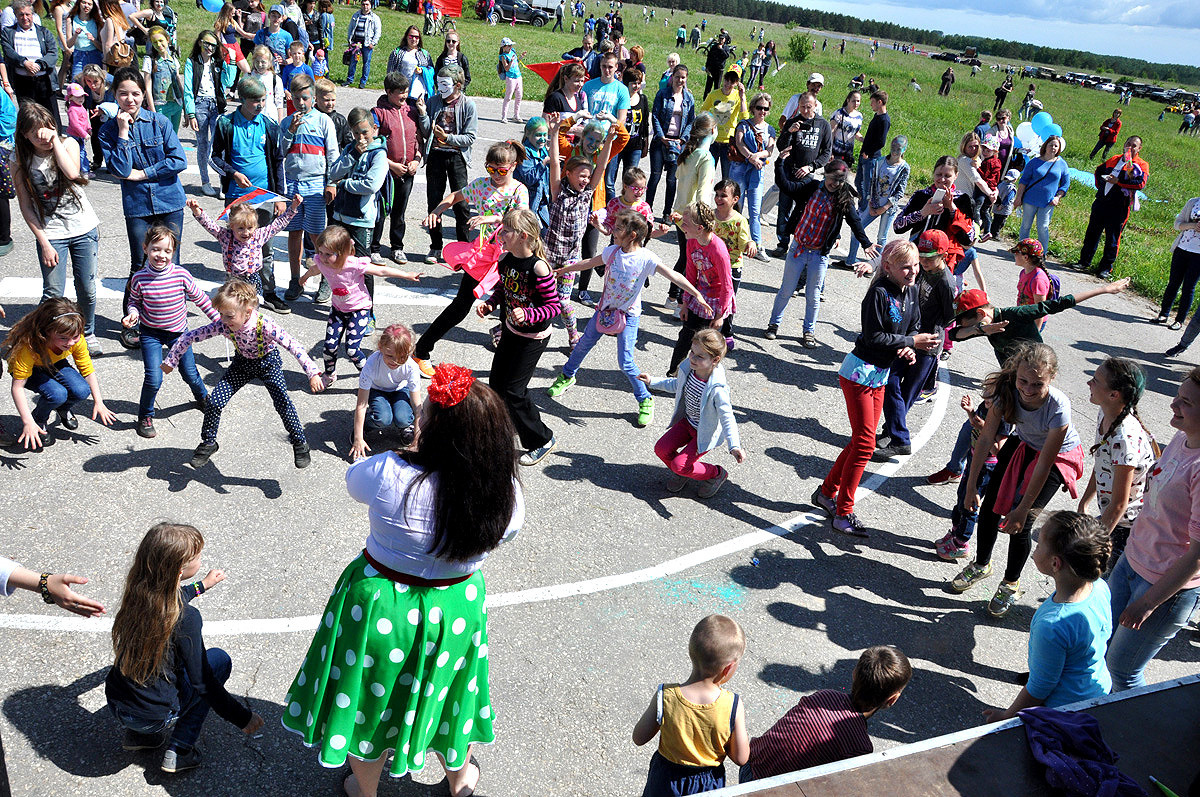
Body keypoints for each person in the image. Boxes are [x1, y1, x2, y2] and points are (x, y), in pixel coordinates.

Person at [282, 364, 522, 797]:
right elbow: (507, 531)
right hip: (454, 606)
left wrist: (411, 450)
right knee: (450, 693)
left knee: (366, 706)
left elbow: (353, 483)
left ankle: (366, 789)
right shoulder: (503, 491)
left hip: (379, 603)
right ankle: (460, 780)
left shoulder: (387, 471)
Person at [105, 523, 264, 774]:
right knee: (218, 661)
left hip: (118, 705)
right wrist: (241, 717)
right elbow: (204, 684)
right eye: (197, 556)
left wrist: (202, 585)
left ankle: (140, 738)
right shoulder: (186, 618)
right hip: (153, 717)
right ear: (180, 570)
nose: (201, 559)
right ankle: (180, 749)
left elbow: (174, 596)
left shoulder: (137, 591)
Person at [951, 343, 1086, 619]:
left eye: (1037, 384)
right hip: (1025, 444)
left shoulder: (1058, 405)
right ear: (1015, 376)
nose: (1028, 389)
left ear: (1052, 378)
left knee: (1020, 523)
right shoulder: (1007, 393)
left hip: (1056, 456)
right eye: (1023, 381)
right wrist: (972, 485)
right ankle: (981, 564)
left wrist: (1023, 508)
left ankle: (1010, 584)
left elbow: (1045, 462)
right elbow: (986, 438)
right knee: (989, 510)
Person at [812, 240, 937, 537]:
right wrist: (909, 344)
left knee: (861, 441)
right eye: (905, 266)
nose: (912, 271)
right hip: (858, 373)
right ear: (889, 267)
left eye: (915, 265)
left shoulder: (912, 291)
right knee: (866, 443)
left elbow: (912, 328)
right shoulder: (878, 294)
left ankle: (826, 492)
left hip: (880, 374)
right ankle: (843, 512)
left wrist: (908, 348)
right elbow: (873, 338)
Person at [550, 208, 705, 424]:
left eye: (620, 227)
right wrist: (565, 270)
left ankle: (645, 399)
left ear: (632, 234)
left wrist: (696, 293)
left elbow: (674, 275)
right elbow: (588, 262)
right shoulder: (612, 251)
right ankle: (567, 376)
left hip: (628, 316)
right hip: (604, 312)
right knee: (582, 345)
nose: (614, 230)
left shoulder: (646, 258)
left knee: (626, 362)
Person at [1104, 367, 1200, 691]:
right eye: (1178, 396)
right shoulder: (1182, 437)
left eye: (1185, 402)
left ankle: (1128, 736)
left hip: (1162, 589)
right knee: (1102, 644)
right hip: (1130, 562)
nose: (1173, 405)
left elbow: (1198, 557)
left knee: (1123, 670)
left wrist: (1148, 604)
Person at [163, 279, 325, 469]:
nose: (223, 320)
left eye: (229, 316)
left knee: (282, 402)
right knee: (214, 402)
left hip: (268, 364)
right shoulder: (224, 325)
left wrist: (312, 372)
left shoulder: (264, 324)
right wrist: (171, 361)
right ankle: (208, 442)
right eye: (221, 315)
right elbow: (188, 336)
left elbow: (292, 345)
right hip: (241, 364)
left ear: (247, 312)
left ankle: (299, 442)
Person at [983, 512, 1113, 721]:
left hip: (1062, 710)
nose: (1035, 547)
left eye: (1039, 544)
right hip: (1097, 688)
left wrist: (1006, 716)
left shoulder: (1052, 624)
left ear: (1055, 564)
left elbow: (1040, 686)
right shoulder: (1099, 587)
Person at [416, 140, 527, 375]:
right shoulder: (482, 186)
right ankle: (421, 351)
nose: (496, 175)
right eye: (491, 169)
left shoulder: (519, 190)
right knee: (460, 307)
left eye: (501, 170)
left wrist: (495, 219)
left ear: (513, 166)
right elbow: (456, 196)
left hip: (510, 257)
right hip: (483, 256)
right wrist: (437, 211)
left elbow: (521, 220)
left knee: (510, 309)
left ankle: (505, 372)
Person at [98, 66, 187, 350]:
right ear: (115, 95)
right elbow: (120, 169)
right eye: (123, 94)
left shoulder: (159, 122)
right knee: (140, 263)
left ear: (142, 94)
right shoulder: (107, 131)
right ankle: (132, 322)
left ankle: (173, 322)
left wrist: (144, 173)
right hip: (137, 206)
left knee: (171, 262)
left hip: (169, 201)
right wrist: (123, 133)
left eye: (135, 93)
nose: (130, 99)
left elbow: (179, 160)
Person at [742, 646, 911, 781]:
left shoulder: (825, 696)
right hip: (772, 790)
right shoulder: (859, 746)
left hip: (750, 764)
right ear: (892, 699)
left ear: (854, 674)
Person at [13, 101, 100, 354]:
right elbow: (25, 205)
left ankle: (87, 331)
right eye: (35, 132)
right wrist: (44, 242)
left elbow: (72, 173)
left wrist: (56, 141)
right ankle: (43, 337)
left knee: (87, 289)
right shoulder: (18, 158)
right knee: (52, 293)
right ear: (24, 135)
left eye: (47, 127)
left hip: (84, 227)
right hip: (51, 233)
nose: (42, 135)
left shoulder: (69, 143)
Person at [476, 207, 560, 465]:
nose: (501, 234)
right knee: (497, 383)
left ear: (523, 235)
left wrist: (530, 314)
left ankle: (542, 439)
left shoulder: (539, 268)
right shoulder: (506, 260)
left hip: (533, 337)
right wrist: (491, 303)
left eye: (507, 230)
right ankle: (507, 426)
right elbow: (503, 288)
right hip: (511, 330)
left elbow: (553, 307)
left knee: (514, 390)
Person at [632, 614, 749, 796]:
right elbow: (741, 758)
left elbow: (639, 737)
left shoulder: (665, 695)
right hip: (707, 783)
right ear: (728, 668)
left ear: (691, 651)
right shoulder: (732, 704)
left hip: (665, 779)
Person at [122, 225, 220, 438]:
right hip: (151, 334)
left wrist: (218, 320)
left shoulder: (181, 275)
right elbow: (134, 302)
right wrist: (132, 313)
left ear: (173, 252)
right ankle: (145, 415)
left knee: (191, 373)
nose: (161, 255)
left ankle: (202, 397)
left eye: (167, 251)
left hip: (179, 334)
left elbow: (201, 300)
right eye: (156, 249)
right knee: (154, 378)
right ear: (145, 248)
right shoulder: (139, 278)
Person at [766, 160, 876, 348]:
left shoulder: (843, 198)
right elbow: (787, 186)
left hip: (819, 254)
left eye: (840, 181)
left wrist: (866, 243)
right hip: (798, 249)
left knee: (813, 295)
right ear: (825, 174)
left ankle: (809, 331)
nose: (835, 184)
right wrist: (779, 163)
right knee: (786, 290)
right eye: (833, 179)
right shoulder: (811, 187)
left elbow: (855, 221)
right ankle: (773, 325)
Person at [297, 224, 420, 385]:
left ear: (342, 253)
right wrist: (304, 277)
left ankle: (368, 376)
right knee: (329, 347)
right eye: (320, 252)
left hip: (359, 310)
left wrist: (407, 275)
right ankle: (329, 375)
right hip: (338, 309)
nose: (323, 257)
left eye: (328, 254)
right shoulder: (322, 261)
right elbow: (315, 269)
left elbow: (381, 271)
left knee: (352, 350)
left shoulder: (353, 264)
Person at [209, 77, 289, 313]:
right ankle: (236, 296)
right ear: (241, 100)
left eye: (263, 99)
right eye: (255, 100)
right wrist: (232, 173)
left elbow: (277, 161)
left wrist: (279, 197)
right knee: (236, 246)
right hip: (237, 199)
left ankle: (270, 292)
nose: (260, 104)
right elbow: (215, 158)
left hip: (264, 197)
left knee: (266, 248)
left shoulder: (269, 125)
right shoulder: (226, 124)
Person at [875, 230, 955, 461]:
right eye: (922, 257)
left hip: (927, 345)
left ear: (942, 254)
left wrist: (930, 331)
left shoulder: (945, 282)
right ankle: (893, 430)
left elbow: (950, 317)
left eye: (930, 258)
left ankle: (894, 434)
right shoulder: (921, 271)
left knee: (908, 392)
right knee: (891, 381)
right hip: (909, 336)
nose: (924, 262)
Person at [641, 328, 745, 498]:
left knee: (679, 465)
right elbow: (675, 384)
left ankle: (716, 474)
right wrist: (652, 381)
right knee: (661, 449)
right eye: (692, 352)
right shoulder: (689, 370)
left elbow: (728, 418)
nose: (692, 358)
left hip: (703, 433)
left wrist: (734, 445)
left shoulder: (718, 390)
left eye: (699, 356)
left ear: (715, 360)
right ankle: (685, 472)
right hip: (688, 422)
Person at [4, 297, 116, 449]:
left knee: (82, 390)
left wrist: (99, 402)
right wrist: (27, 421)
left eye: (75, 337)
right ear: (47, 331)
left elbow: (87, 370)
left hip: (54, 362)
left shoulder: (76, 337)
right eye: (63, 338)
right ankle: (39, 420)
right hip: (31, 370)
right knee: (57, 394)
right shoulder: (30, 346)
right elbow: (17, 387)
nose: (70, 343)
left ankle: (62, 408)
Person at [1077, 357, 1156, 569]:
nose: (1089, 383)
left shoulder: (1125, 439)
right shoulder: (1105, 413)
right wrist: (1084, 502)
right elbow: (1103, 464)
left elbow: (1120, 504)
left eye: (1095, 380)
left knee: (1103, 581)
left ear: (1114, 394)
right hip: (1113, 516)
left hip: (1127, 527)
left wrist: (1095, 544)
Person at [542, 112, 610, 348]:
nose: (585, 180)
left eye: (587, 176)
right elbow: (554, 160)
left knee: (563, 301)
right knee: (537, 297)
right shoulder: (558, 189)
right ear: (568, 174)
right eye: (581, 175)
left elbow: (601, 165)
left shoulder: (586, 194)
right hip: (548, 257)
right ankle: (504, 328)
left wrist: (609, 141)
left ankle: (573, 336)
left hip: (570, 260)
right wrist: (553, 133)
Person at [370, 71, 428, 266]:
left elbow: (418, 140)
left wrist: (416, 160)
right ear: (388, 92)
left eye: (406, 91)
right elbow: (374, 145)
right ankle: (374, 248)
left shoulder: (411, 111)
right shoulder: (378, 113)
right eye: (400, 92)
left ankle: (397, 247)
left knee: (399, 212)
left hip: (408, 172)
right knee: (381, 210)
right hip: (387, 172)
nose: (404, 96)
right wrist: (391, 165)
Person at [423, 63, 476, 266]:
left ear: (458, 85)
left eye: (445, 84)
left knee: (461, 204)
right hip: (436, 156)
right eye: (438, 83)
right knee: (434, 202)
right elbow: (427, 131)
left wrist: (448, 137)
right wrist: (422, 113)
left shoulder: (468, 105)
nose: (440, 88)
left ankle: (463, 248)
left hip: (457, 158)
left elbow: (470, 137)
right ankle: (435, 246)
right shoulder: (433, 101)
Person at [768, 91, 831, 256]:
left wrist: (811, 167)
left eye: (808, 106)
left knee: (803, 211)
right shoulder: (793, 121)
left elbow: (826, 153)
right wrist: (789, 132)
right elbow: (781, 146)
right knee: (784, 208)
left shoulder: (823, 125)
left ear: (815, 105)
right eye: (802, 107)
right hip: (789, 171)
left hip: (808, 175)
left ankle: (798, 243)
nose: (804, 110)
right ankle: (782, 243)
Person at [1075, 136, 1147, 280]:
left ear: (1139, 148)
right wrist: (1100, 186)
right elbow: (1098, 171)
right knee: (1092, 233)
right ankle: (1084, 262)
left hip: (1119, 207)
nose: (1130, 147)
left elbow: (1140, 184)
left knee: (1112, 239)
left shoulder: (1141, 164)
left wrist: (1118, 182)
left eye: (1134, 145)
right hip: (1101, 202)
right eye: (1128, 144)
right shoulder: (1115, 158)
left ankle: (1105, 268)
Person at [349, 321, 421, 459]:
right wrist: (358, 437)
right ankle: (365, 426)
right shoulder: (371, 364)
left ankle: (405, 426)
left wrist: (417, 441)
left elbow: (418, 406)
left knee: (403, 418)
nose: (396, 362)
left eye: (402, 357)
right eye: (390, 356)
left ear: (410, 352)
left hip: (400, 389)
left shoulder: (411, 367)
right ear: (380, 347)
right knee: (383, 418)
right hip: (377, 390)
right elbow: (361, 404)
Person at [182, 30, 235, 198]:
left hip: (216, 105)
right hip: (200, 106)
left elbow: (229, 82)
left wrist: (231, 61)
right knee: (203, 144)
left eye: (213, 45)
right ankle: (205, 182)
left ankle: (222, 182)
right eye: (207, 43)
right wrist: (190, 113)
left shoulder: (218, 63)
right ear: (200, 43)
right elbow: (188, 90)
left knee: (219, 145)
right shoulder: (192, 62)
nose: (210, 48)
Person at [843, 135, 907, 269]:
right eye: (894, 147)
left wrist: (885, 207)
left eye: (899, 148)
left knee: (881, 238)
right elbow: (872, 183)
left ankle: (875, 265)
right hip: (874, 203)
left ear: (904, 150)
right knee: (857, 229)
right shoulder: (880, 161)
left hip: (888, 207)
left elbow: (899, 191)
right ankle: (850, 260)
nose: (895, 151)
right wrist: (871, 202)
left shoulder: (904, 167)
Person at [728, 91, 773, 258]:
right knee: (736, 205)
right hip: (740, 168)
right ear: (753, 108)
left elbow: (769, 150)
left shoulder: (770, 129)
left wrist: (757, 157)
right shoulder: (743, 125)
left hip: (757, 171)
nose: (762, 111)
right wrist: (750, 157)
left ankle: (757, 245)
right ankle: (732, 239)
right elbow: (739, 143)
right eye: (759, 108)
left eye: (765, 109)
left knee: (755, 211)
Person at [1, 0, 60, 126]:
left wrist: (39, 64)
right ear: (16, 16)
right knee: (28, 119)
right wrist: (24, 63)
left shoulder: (44, 32)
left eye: (28, 14)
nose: (25, 18)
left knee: (51, 117)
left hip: (44, 80)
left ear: (33, 15)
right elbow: (8, 52)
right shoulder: (8, 33)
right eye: (21, 15)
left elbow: (53, 53)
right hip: (23, 81)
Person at [647, 63, 693, 220]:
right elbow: (655, 116)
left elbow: (690, 122)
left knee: (672, 180)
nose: (680, 80)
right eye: (678, 77)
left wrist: (682, 139)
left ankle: (667, 212)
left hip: (678, 143)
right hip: (661, 141)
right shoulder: (662, 94)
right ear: (672, 77)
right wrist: (661, 137)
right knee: (655, 175)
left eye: (683, 77)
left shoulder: (689, 98)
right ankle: (647, 209)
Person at [1157, 195, 1200, 330]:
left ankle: (1179, 320)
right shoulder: (1193, 202)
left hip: (1198, 255)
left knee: (1189, 287)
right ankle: (1163, 314)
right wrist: (1193, 225)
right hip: (1181, 249)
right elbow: (1177, 224)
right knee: (1173, 283)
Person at [697, 68, 746, 181]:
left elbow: (744, 117)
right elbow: (703, 110)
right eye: (727, 80)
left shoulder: (738, 96)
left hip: (728, 142)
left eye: (732, 81)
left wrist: (742, 97)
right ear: (723, 78)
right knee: (707, 175)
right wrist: (710, 124)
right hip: (713, 140)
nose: (728, 84)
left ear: (737, 83)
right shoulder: (714, 94)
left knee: (727, 178)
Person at [141, 26, 182, 131]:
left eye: (161, 41)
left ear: (167, 39)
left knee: (173, 138)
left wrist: (185, 108)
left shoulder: (173, 58)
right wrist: (153, 111)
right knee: (163, 137)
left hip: (176, 104)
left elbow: (178, 82)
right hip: (160, 106)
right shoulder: (149, 60)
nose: (158, 45)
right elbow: (148, 88)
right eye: (155, 42)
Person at [386, 24, 433, 100]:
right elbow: (390, 73)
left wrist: (423, 71)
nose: (414, 39)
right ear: (406, 37)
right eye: (411, 36)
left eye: (416, 37)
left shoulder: (425, 54)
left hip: (418, 92)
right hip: (401, 90)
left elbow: (431, 71)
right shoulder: (397, 53)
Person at [342, 0, 379, 89]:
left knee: (366, 63)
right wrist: (350, 41)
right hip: (356, 44)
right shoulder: (356, 15)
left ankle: (363, 81)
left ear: (370, 5)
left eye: (367, 4)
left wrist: (373, 43)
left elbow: (378, 32)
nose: (365, 6)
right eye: (363, 4)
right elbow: (351, 28)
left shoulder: (374, 18)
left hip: (367, 44)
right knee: (353, 62)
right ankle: (349, 79)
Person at [828, 89, 862, 165]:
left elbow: (855, 133)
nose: (856, 103)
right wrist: (829, 151)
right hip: (836, 151)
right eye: (854, 101)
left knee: (843, 175)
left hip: (848, 153)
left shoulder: (859, 116)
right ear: (848, 100)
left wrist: (863, 140)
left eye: (858, 101)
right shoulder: (839, 113)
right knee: (832, 174)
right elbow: (831, 132)